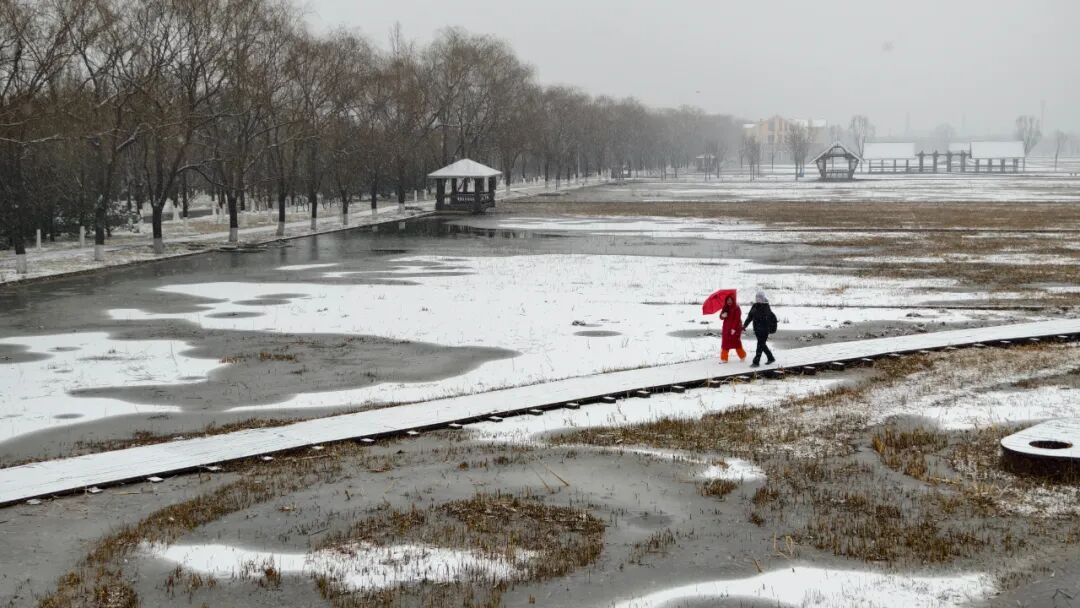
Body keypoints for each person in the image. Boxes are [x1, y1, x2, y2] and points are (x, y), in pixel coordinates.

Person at [743, 291, 777, 367]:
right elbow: (750, 317)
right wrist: (744, 326)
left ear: (763, 298)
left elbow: (765, 317)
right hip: (757, 329)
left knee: (760, 344)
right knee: (762, 344)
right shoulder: (754, 306)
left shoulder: (766, 306)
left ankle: (756, 362)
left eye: (760, 298)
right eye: (757, 297)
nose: (758, 299)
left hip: (764, 330)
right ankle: (770, 358)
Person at [718, 295, 746, 363]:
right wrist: (722, 316)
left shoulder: (737, 308)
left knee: (736, 343)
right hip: (726, 328)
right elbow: (721, 317)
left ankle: (743, 355)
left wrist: (733, 329)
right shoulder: (725, 307)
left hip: (735, 328)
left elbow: (737, 319)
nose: (729, 301)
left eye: (730, 300)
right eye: (728, 300)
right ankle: (724, 359)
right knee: (725, 344)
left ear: (733, 300)